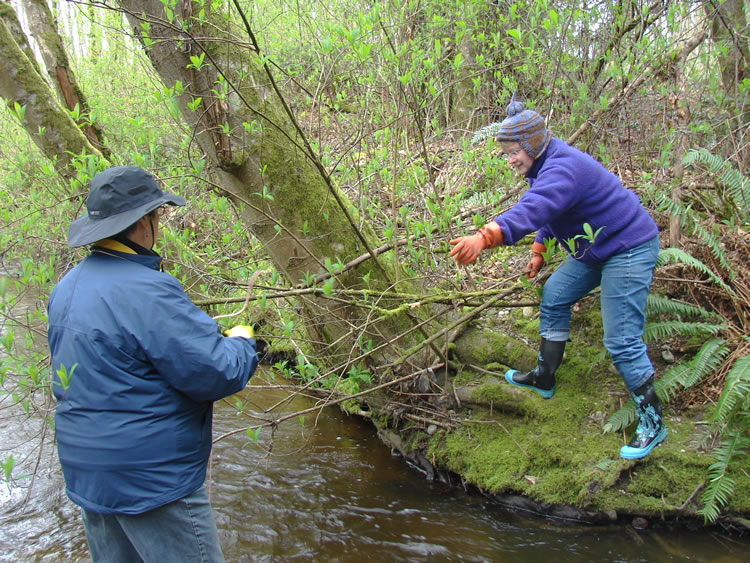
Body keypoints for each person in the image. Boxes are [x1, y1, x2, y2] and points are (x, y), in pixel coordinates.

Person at [48, 165, 259, 562]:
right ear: (145, 221)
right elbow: (217, 371)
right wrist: (243, 341)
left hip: (89, 475)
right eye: (158, 215)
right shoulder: (148, 290)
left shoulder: (66, 287)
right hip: (151, 480)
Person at [449, 98, 666, 461]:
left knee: (622, 340)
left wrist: (485, 237)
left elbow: (536, 206)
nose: (510, 160)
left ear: (533, 144)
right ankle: (544, 376)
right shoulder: (547, 164)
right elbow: (550, 209)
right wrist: (538, 249)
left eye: (514, 151)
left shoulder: (564, 168)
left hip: (628, 247)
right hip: (596, 249)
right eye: (506, 153)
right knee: (555, 293)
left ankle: (652, 420)